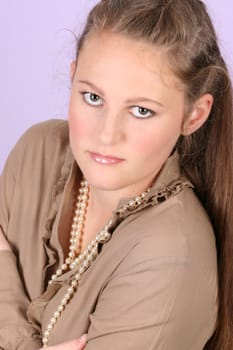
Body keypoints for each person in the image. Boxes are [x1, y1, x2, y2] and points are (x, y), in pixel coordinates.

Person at [0, 0, 232, 349]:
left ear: (194, 116)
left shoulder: (169, 255)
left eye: (141, 110)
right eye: (92, 97)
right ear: (73, 74)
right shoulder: (39, 152)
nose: (106, 135)